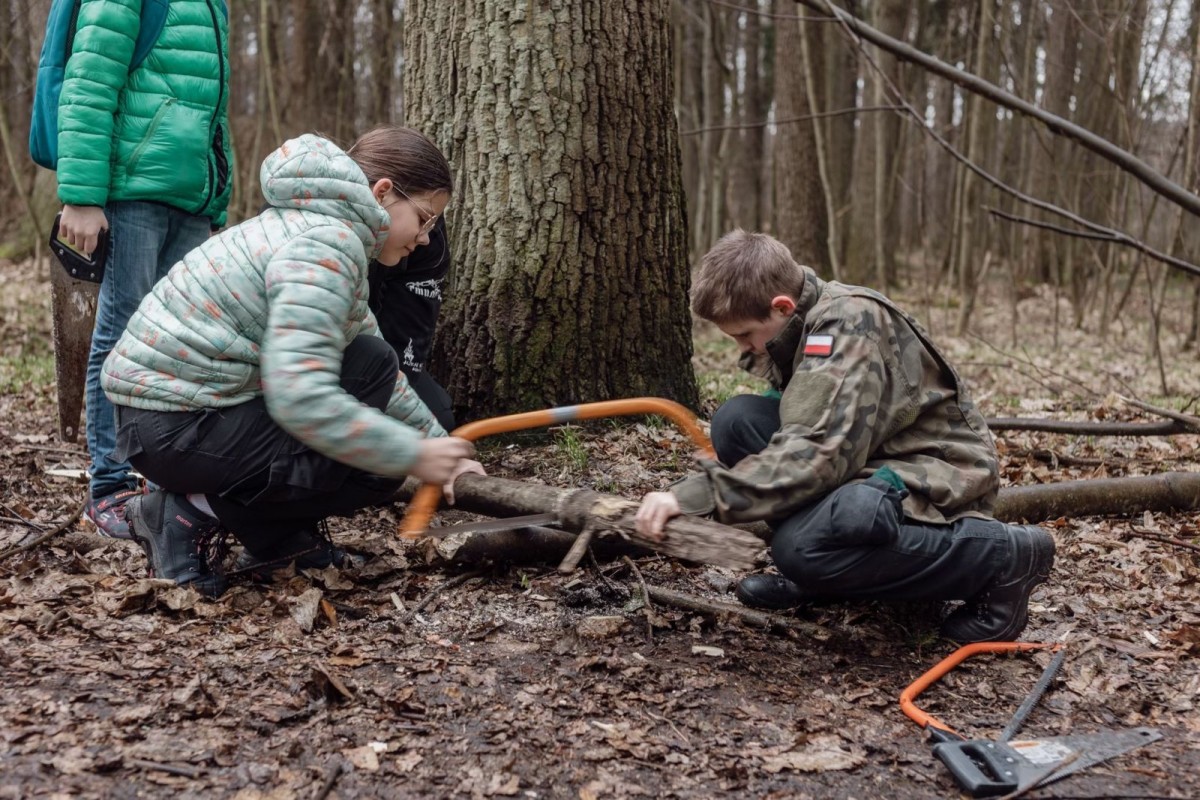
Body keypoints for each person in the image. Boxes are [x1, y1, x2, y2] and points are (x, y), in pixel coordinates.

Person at [101, 126, 483, 597]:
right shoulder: (326, 246)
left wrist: (442, 447)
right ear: (383, 193)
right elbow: (299, 397)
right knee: (377, 466)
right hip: (170, 426)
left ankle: (276, 540)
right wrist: (416, 455)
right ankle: (183, 515)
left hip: (169, 417)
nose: (425, 239)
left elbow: (375, 361)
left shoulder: (321, 230)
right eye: (424, 219)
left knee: (373, 362)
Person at [635, 230, 1055, 644]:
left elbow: (815, 453)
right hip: (871, 454)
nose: (745, 347)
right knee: (738, 420)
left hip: (934, 472)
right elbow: (798, 429)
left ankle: (1002, 557)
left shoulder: (846, 324)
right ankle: (834, 576)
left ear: (781, 306)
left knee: (800, 549)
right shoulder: (805, 321)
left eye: (745, 335)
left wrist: (697, 496)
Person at [54, 0, 233, 539]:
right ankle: (109, 488)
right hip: (132, 189)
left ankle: (161, 482)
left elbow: (214, 109)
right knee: (121, 334)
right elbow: (89, 82)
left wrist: (217, 196)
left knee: (176, 344)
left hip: (190, 199)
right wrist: (82, 195)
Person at [367, 217, 456, 431]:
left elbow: (407, 339)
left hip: (371, 347)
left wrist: (428, 432)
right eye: (421, 218)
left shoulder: (429, 238)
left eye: (431, 222)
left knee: (436, 419)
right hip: (307, 360)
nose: (425, 237)